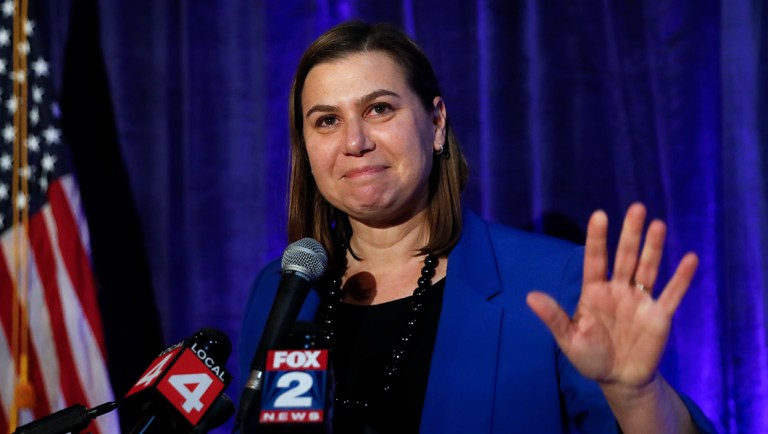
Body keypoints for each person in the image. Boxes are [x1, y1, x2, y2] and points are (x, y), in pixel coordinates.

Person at [239, 20, 717, 433]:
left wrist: (636, 395)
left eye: (379, 109)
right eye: (326, 120)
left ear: (437, 123)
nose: (355, 141)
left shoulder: (549, 282)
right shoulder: (282, 292)